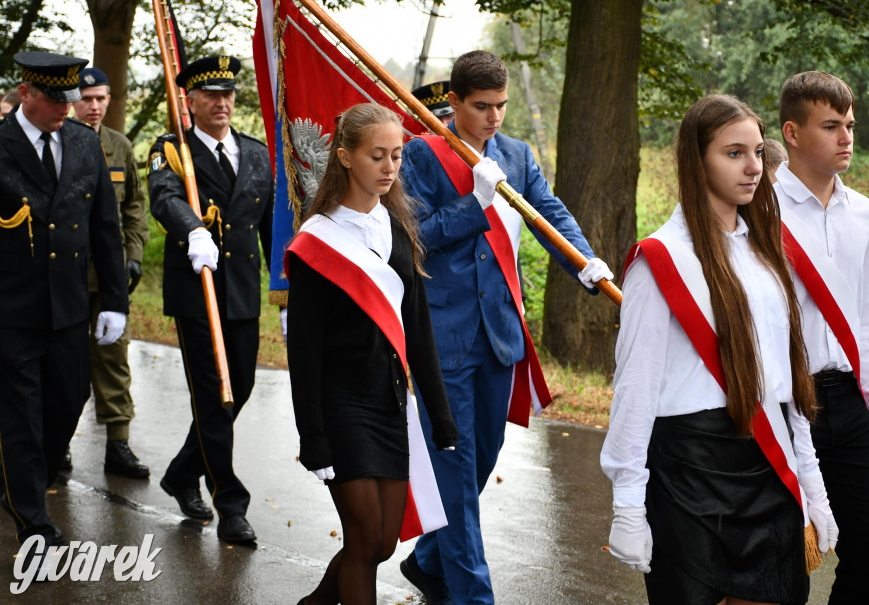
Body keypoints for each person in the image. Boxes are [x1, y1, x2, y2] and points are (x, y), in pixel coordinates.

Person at [601, 94, 836, 604]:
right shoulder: (659, 260)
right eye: (733, 153)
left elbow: (787, 379)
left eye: (756, 151)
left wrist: (812, 483)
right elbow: (636, 385)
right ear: (696, 159)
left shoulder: (766, 254)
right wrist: (627, 505)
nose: (753, 167)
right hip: (689, 470)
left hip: (766, 463)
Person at [399, 50, 614, 604]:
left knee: (480, 459)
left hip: (498, 334)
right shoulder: (421, 155)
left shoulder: (515, 155)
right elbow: (414, 235)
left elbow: (549, 212)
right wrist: (475, 203)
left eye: (501, 106)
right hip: (441, 338)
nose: (494, 118)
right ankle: (473, 596)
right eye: (481, 107)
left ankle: (427, 560)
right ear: (453, 101)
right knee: (456, 468)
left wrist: (586, 263)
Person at [285, 103, 458, 605]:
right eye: (376, 155)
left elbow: (418, 327)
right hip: (341, 404)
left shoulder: (398, 230)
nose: (389, 168)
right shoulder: (317, 241)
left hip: (391, 404)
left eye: (397, 157)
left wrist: (439, 413)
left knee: (383, 542)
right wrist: (312, 436)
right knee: (363, 539)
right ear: (344, 157)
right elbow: (304, 352)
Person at [775, 71, 869, 604]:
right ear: (792, 133)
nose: (847, 136)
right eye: (831, 125)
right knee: (787, 558)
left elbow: (868, 317)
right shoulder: (759, 207)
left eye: (849, 124)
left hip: (847, 399)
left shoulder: (863, 211)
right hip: (782, 402)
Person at [0, 51, 128, 556]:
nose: (65, 108)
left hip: (70, 306)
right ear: (26, 93)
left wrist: (114, 300)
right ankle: (32, 519)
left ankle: (19, 478)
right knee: (21, 417)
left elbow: (104, 226)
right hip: (11, 310)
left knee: (68, 401)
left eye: (70, 99)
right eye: (56, 100)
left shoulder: (81, 141)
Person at [147, 55, 273, 544]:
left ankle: (181, 472)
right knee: (214, 395)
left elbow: (268, 227)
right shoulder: (172, 150)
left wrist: (284, 292)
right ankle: (231, 505)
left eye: (228, 94)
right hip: (197, 290)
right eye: (210, 96)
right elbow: (164, 197)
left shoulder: (256, 153)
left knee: (237, 389)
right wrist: (192, 229)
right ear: (191, 101)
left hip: (241, 292)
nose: (221, 103)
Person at [70, 66, 150, 479]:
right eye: (87, 98)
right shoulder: (61, 143)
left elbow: (135, 206)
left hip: (110, 276)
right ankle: (58, 441)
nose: (95, 106)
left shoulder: (119, 146)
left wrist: (133, 255)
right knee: (63, 363)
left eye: (102, 98)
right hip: (65, 278)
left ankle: (118, 444)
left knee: (114, 357)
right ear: (72, 100)